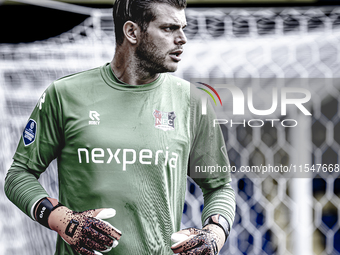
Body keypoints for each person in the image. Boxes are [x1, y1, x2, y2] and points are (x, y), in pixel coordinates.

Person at [4, 0, 236, 254]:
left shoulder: (192, 101)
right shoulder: (64, 95)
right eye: (169, 28)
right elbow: (19, 174)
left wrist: (215, 232)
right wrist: (61, 219)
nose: (182, 39)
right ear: (132, 32)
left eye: (183, 28)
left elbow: (219, 186)